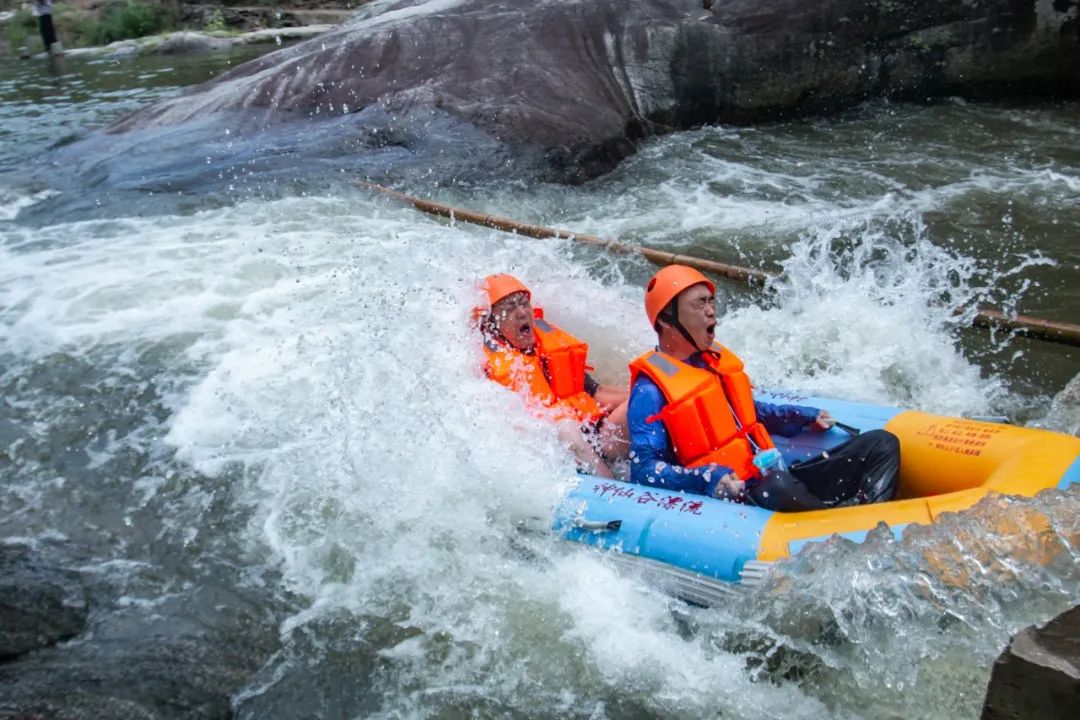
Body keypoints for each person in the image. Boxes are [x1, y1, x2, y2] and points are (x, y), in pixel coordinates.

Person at [626, 264, 900, 511]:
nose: (711, 311)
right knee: (778, 485)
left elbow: (747, 413)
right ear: (666, 319)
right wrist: (707, 478)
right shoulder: (650, 390)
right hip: (738, 499)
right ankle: (835, 524)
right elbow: (644, 470)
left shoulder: (710, 363)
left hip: (772, 478)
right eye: (700, 304)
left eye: (711, 301)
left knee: (881, 443)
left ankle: (871, 518)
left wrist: (803, 417)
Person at [476, 274, 629, 478]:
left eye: (524, 304)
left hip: (595, 437)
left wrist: (637, 397)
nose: (522, 313)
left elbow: (596, 392)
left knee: (640, 401)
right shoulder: (485, 363)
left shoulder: (549, 344)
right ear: (492, 323)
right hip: (553, 450)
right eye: (510, 308)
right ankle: (608, 485)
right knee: (566, 428)